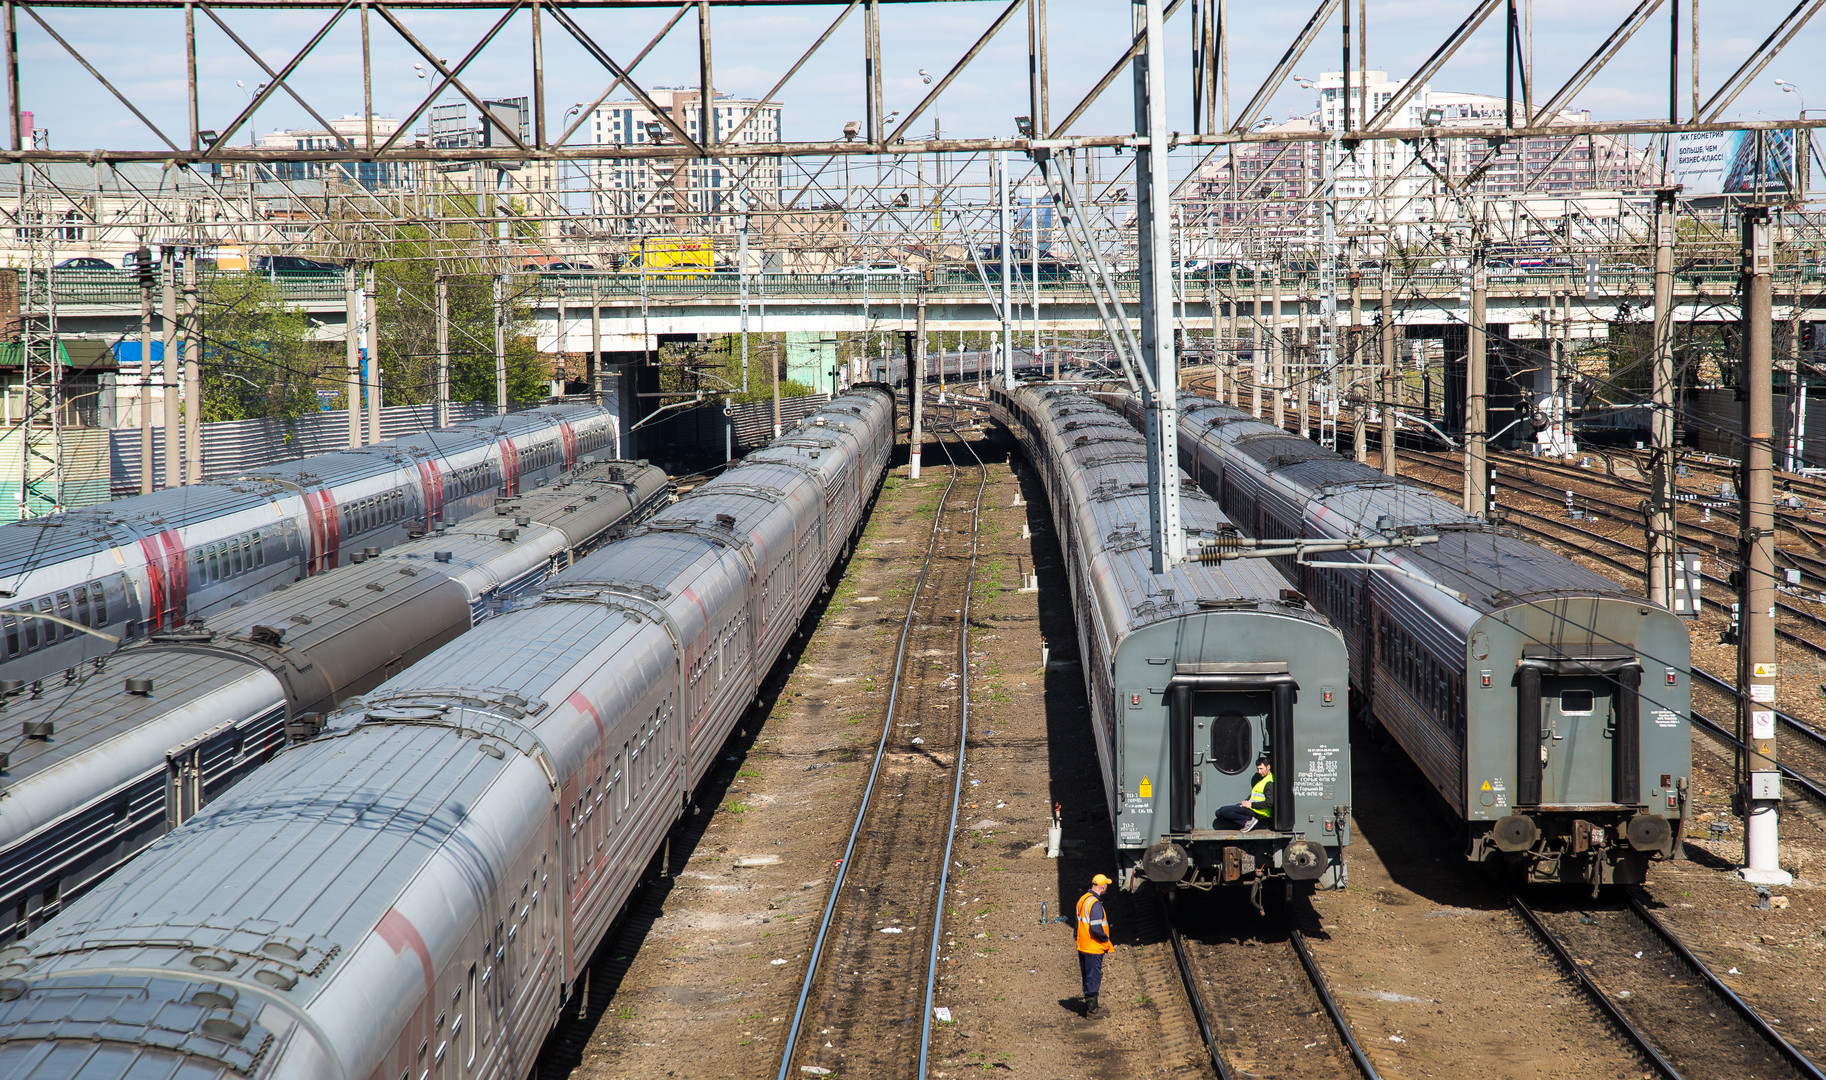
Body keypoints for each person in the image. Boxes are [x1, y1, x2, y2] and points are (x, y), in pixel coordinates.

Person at [1075, 873, 1114, 1017]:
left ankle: (1091, 1006)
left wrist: (1077, 939)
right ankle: (1092, 1011)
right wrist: (1105, 939)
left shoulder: (1083, 899)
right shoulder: (1095, 905)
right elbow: (1096, 928)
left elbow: (1077, 923)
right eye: (1106, 885)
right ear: (1102, 887)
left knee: (1087, 975)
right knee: (1093, 976)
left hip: (1083, 945)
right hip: (1093, 946)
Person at [1215, 756, 1274, 831]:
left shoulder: (1269, 782)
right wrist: (1246, 801)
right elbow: (1254, 795)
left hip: (1258, 811)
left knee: (1222, 811)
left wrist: (1251, 804)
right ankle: (1247, 820)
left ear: (1268, 767)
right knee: (1218, 813)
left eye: (1261, 769)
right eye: (1258, 769)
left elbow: (1269, 803)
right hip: (1252, 808)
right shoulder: (1262, 779)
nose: (1259, 772)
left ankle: (1247, 821)